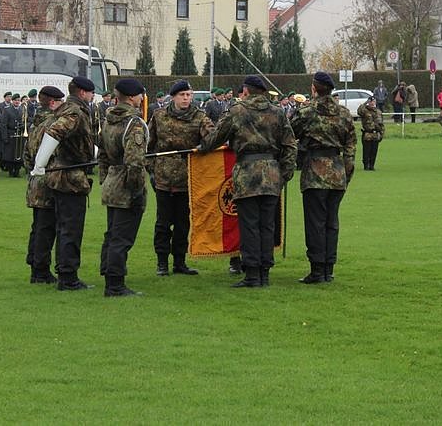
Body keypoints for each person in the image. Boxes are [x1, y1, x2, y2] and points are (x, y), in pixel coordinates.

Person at [199, 75, 297, 288]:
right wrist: (284, 173)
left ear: (246, 91)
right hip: (271, 174)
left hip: (247, 174)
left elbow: (216, 138)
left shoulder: (237, 111)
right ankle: (265, 273)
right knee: (267, 225)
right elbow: (290, 145)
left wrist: (202, 147)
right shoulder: (278, 112)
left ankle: (252, 273)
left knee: (249, 225)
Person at [30, 76, 97, 291]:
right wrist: (40, 164)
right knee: (70, 228)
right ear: (83, 93)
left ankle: (49, 272)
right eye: (91, 92)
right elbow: (55, 133)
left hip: (59, 174)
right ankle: (68, 277)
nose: (93, 96)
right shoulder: (74, 111)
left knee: (52, 227)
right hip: (69, 177)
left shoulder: (64, 110)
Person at [290, 72, 356, 284]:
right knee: (331, 222)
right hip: (337, 172)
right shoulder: (344, 113)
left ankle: (317, 269)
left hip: (315, 172)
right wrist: (346, 173)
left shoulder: (307, 112)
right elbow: (351, 147)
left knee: (315, 223)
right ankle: (328, 268)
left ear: (314, 88)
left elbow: (290, 133)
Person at [147, 79, 214, 277]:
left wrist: (202, 147)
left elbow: (213, 139)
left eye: (188, 95)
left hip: (187, 179)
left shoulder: (200, 117)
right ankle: (161, 263)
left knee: (183, 224)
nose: (186, 98)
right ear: (173, 97)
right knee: (163, 224)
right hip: (163, 178)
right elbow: (149, 145)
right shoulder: (159, 116)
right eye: (182, 95)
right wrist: (152, 170)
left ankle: (179, 262)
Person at [98, 78, 149, 297]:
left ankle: (108, 272)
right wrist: (136, 190)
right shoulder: (133, 123)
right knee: (122, 237)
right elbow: (135, 161)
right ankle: (115, 284)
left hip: (112, 180)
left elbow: (102, 153)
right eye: (140, 95)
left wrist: (105, 178)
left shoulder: (108, 119)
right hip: (126, 183)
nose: (141, 99)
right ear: (131, 97)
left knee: (112, 233)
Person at [23, 86, 65, 284]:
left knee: (38, 226)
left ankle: (35, 264)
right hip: (48, 179)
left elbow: (26, 156)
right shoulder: (52, 124)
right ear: (53, 102)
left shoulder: (35, 124)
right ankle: (41, 270)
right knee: (46, 229)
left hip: (34, 180)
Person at [1, 94, 27, 177]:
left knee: (19, 153)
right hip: (11, 134)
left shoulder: (22, 110)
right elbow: (4, 124)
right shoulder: (7, 110)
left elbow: (25, 121)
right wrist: (4, 137)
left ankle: (17, 171)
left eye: (18, 100)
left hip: (19, 134)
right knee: (10, 154)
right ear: (12, 101)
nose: (17, 102)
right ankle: (11, 171)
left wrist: (23, 126)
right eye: (15, 100)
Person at [356, 96, 383, 171]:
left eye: (374, 102)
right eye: (371, 102)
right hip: (367, 133)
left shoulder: (378, 112)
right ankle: (366, 166)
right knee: (366, 151)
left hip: (376, 133)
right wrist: (365, 103)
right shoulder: (365, 110)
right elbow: (359, 111)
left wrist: (381, 134)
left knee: (374, 151)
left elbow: (381, 124)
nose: (372, 103)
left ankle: (372, 165)